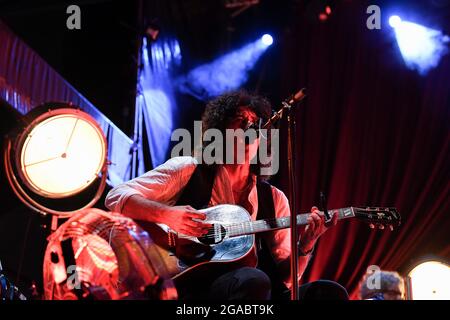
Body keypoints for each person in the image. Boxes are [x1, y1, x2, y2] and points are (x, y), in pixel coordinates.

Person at [105, 90, 348, 300]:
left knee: (329, 292)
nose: (249, 128)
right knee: (254, 280)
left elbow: (285, 279)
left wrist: (306, 244)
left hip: (253, 290)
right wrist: (168, 215)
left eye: (255, 123)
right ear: (219, 132)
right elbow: (116, 196)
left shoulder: (274, 199)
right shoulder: (189, 169)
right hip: (191, 285)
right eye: (240, 120)